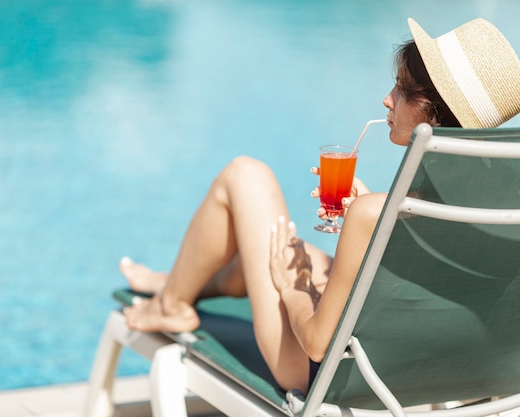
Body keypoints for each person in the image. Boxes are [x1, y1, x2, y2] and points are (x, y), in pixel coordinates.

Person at [118, 18, 520, 394]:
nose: (387, 98)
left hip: (326, 373)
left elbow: (314, 343)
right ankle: (173, 283)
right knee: (276, 252)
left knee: (245, 177)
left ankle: (171, 303)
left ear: (430, 111)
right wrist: (368, 224)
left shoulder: (377, 213)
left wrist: (294, 285)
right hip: (431, 374)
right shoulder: (493, 207)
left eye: (400, 87)